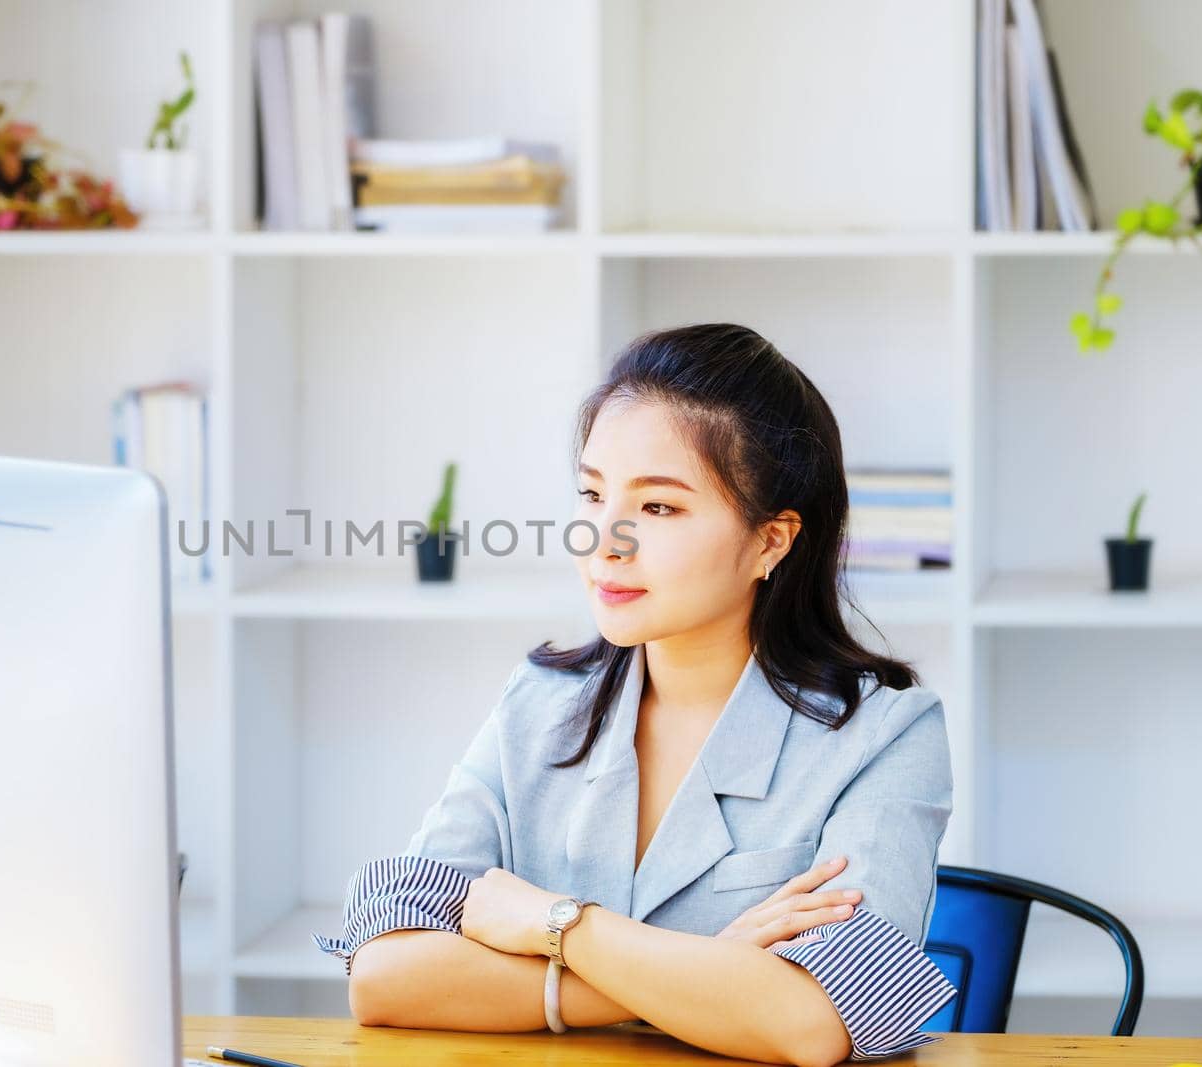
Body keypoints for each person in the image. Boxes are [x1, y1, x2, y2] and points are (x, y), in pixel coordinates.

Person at [311, 323, 958, 1067]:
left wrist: (553, 925)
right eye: (592, 494)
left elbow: (814, 1021)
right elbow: (386, 975)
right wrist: (705, 966)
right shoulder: (540, 700)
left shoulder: (886, 733)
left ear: (771, 540)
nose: (606, 541)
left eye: (659, 508)